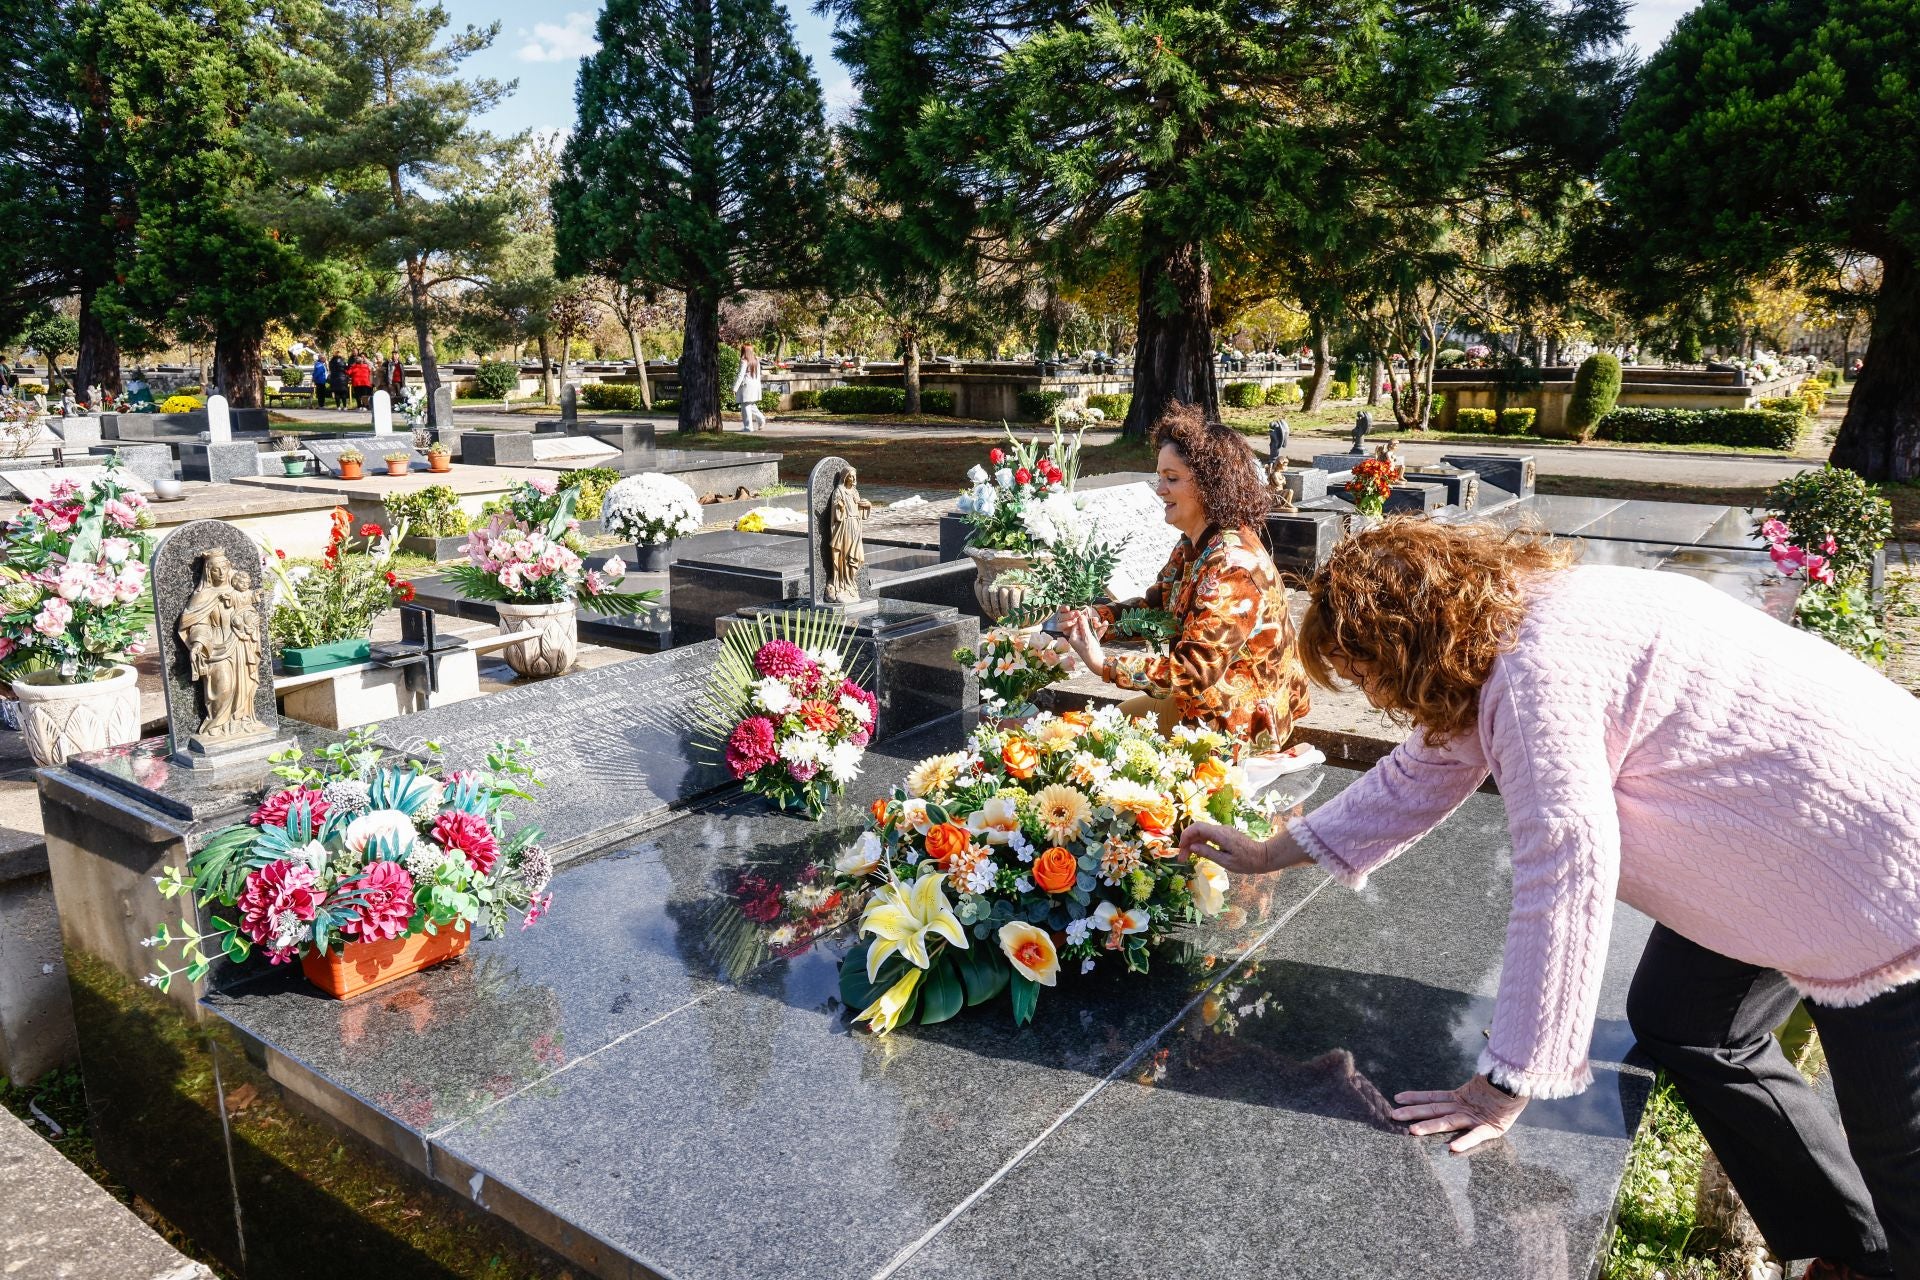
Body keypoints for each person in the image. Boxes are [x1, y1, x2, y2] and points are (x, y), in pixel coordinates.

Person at [1180, 520, 1920, 1280]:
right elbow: (1422, 770)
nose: (1373, 694)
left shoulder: (1535, 681)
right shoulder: (1512, 619)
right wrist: (1274, 851)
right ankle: (1851, 1247)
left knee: (1903, 1155)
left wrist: (1504, 1085)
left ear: (1407, 641)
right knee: (1686, 1019)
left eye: (1366, 669)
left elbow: (1563, 879)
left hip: (1882, 869)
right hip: (1780, 847)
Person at [1057, 402, 1311, 752]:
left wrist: (1103, 664)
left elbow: (1192, 671)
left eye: (1172, 479)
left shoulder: (1232, 566)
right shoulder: (1195, 543)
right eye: (1159, 477)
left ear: (1210, 484)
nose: (1160, 489)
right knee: (1096, 736)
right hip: (1205, 704)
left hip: (1236, 725)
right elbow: (1156, 607)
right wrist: (1094, 620)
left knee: (1100, 747)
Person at [733, 343, 765, 432]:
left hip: (746, 386)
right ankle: (761, 418)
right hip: (755, 385)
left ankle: (748, 427)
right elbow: (758, 375)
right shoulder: (756, 360)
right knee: (751, 405)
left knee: (745, 406)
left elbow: (740, 375)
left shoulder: (744, 360)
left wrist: (734, 388)